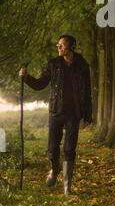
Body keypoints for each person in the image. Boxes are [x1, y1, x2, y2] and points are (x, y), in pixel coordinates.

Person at [19, 34, 92, 195]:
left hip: (73, 113)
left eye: (62, 45)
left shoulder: (82, 65)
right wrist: (26, 77)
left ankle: (67, 187)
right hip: (55, 112)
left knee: (69, 149)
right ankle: (54, 169)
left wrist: (88, 114)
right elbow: (40, 84)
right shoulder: (53, 64)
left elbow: (87, 92)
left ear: (71, 47)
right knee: (52, 149)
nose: (58, 48)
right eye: (58, 45)